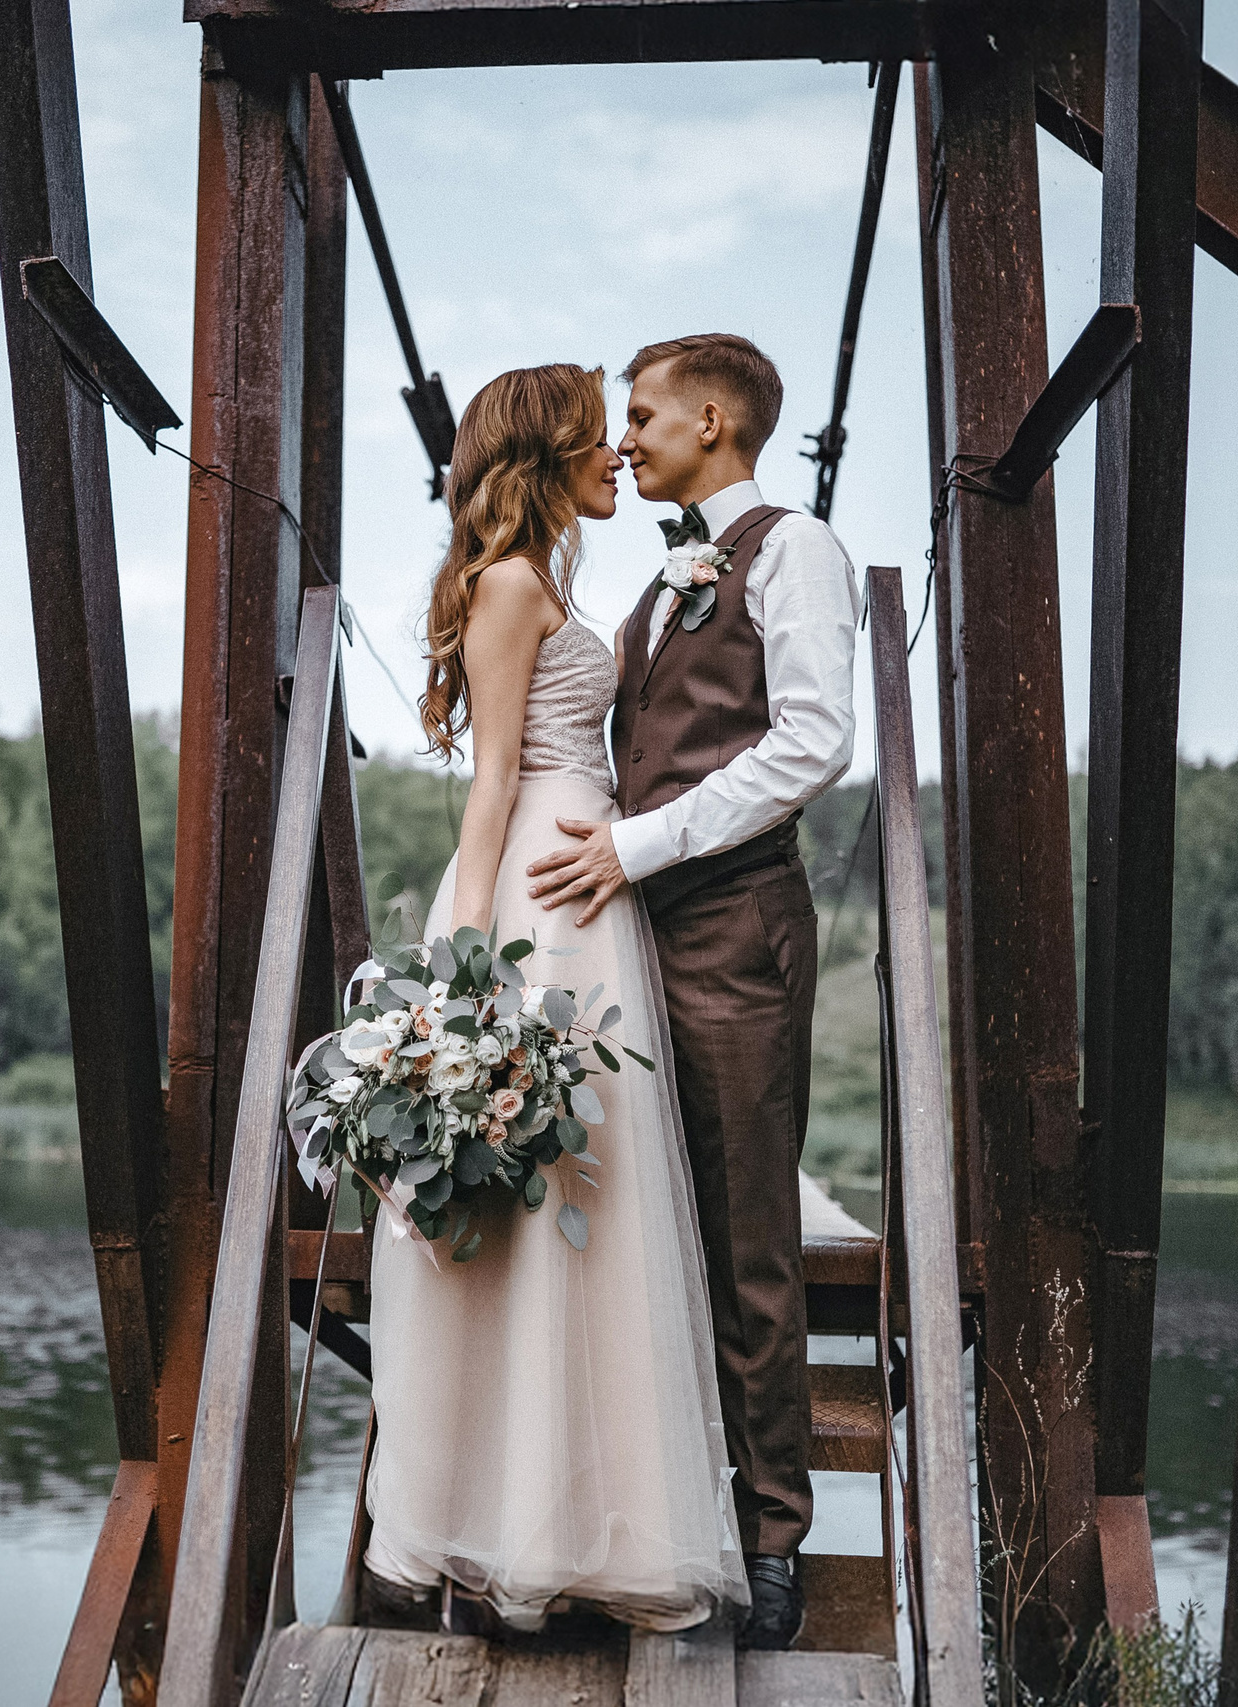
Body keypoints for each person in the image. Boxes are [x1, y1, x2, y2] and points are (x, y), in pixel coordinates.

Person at [361, 363, 748, 1636]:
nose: (616, 455)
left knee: (589, 1200)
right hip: (537, 900)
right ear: (545, 455)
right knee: (540, 1203)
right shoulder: (512, 586)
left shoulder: (549, 582)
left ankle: (579, 1523)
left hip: (588, 892)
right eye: (597, 436)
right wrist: (468, 970)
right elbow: (490, 785)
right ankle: (511, 1526)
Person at [526, 334, 862, 1651]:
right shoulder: (665, 577)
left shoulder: (796, 550)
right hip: (625, 938)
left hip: (731, 931)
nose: (625, 438)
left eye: (644, 414)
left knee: (746, 1239)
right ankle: (628, 1519)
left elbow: (815, 740)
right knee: (611, 1219)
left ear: (712, 419)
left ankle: (771, 1537)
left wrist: (639, 844)